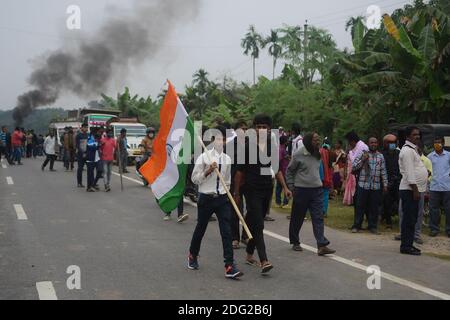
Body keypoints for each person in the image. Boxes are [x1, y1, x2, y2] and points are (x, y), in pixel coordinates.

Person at [234, 114, 292, 274]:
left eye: (264, 127)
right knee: (258, 224)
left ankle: (248, 254)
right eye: (258, 126)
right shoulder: (247, 146)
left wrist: (285, 187)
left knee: (255, 223)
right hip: (251, 190)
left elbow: (278, 169)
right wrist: (237, 192)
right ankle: (264, 260)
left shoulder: (271, 147)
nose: (260, 130)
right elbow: (239, 172)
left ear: (269, 130)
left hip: (267, 189)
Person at [188, 126, 243, 279]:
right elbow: (194, 179)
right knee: (201, 228)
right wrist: (207, 171)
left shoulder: (227, 159)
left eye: (223, 139)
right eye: (218, 139)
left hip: (222, 199)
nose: (221, 142)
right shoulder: (203, 157)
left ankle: (229, 265)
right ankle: (192, 255)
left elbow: (228, 181)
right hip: (206, 198)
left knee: (227, 232)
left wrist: (228, 195)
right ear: (212, 141)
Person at [286, 132, 336, 255]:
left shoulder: (317, 153)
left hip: (317, 190)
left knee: (318, 217)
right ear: (308, 141)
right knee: (297, 217)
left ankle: (321, 245)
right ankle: (295, 241)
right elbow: (290, 171)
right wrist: (291, 187)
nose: (318, 142)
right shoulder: (298, 154)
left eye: (318, 140)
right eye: (315, 140)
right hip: (301, 190)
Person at [398, 126, 428, 255]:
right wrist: (415, 191)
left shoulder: (413, 150)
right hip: (410, 190)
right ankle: (406, 246)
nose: (417, 137)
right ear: (408, 137)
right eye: (414, 135)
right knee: (409, 219)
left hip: (414, 190)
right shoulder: (407, 151)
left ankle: (409, 244)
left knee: (412, 219)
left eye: (418, 134)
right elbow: (410, 173)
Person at [351, 137, 388, 234]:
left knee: (374, 207)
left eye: (375, 142)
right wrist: (363, 160)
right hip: (363, 185)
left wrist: (385, 184)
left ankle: (373, 226)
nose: (374, 144)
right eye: (372, 142)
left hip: (375, 186)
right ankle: (356, 226)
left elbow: (383, 171)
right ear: (368, 144)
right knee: (360, 206)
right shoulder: (363, 154)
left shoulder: (380, 156)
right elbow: (354, 167)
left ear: (377, 144)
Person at [226, 121, 248, 249]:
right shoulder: (229, 146)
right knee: (235, 209)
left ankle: (246, 235)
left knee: (251, 211)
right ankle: (235, 237)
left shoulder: (251, 145)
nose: (244, 131)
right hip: (234, 182)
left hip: (249, 182)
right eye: (241, 128)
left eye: (246, 128)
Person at [427, 137, 450, 238]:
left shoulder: (449, 155)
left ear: (443, 143)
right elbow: (427, 172)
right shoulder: (430, 156)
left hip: (447, 187)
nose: (437, 144)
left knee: (448, 209)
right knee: (433, 209)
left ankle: (448, 230)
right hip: (434, 186)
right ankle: (434, 229)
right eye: (435, 142)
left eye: (439, 142)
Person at [382, 134, 401, 229]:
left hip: (398, 181)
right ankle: (388, 221)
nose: (392, 144)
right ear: (385, 143)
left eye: (394, 142)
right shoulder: (382, 154)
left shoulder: (399, 153)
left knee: (400, 201)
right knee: (386, 202)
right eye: (389, 143)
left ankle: (402, 221)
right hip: (386, 182)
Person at [276, 135, 290, 208]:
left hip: (282, 171)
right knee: (284, 187)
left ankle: (278, 202)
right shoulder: (281, 149)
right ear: (285, 142)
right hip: (283, 171)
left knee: (279, 187)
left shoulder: (283, 149)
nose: (288, 141)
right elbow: (279, 159)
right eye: (287, 140)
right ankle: (284, 203)